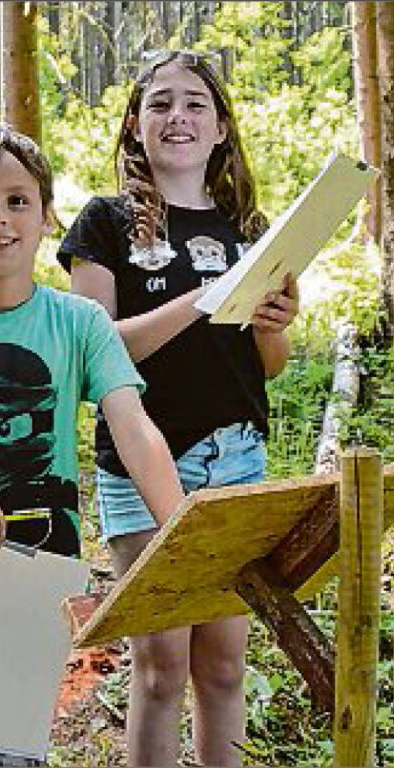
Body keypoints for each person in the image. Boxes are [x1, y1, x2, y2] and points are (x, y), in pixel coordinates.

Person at [0, 123, 186, 766]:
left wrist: (181, 534)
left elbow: (134, 430)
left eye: (17, 201)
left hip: (27, 592)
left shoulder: (79, 324)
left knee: (4, 758)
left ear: (47, 216)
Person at [57, 50, 300, 767]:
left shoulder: (246, 227)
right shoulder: (104, 223)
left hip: (239, 458)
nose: (178, 117)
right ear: (135, 124)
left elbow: (268, 367)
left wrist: (272, 324)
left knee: (223, 668)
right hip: (143, 461)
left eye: (195, 104)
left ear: (221, 128)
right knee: (161, 668)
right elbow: (90, 351)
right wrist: (203, 299)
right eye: (160, 103)